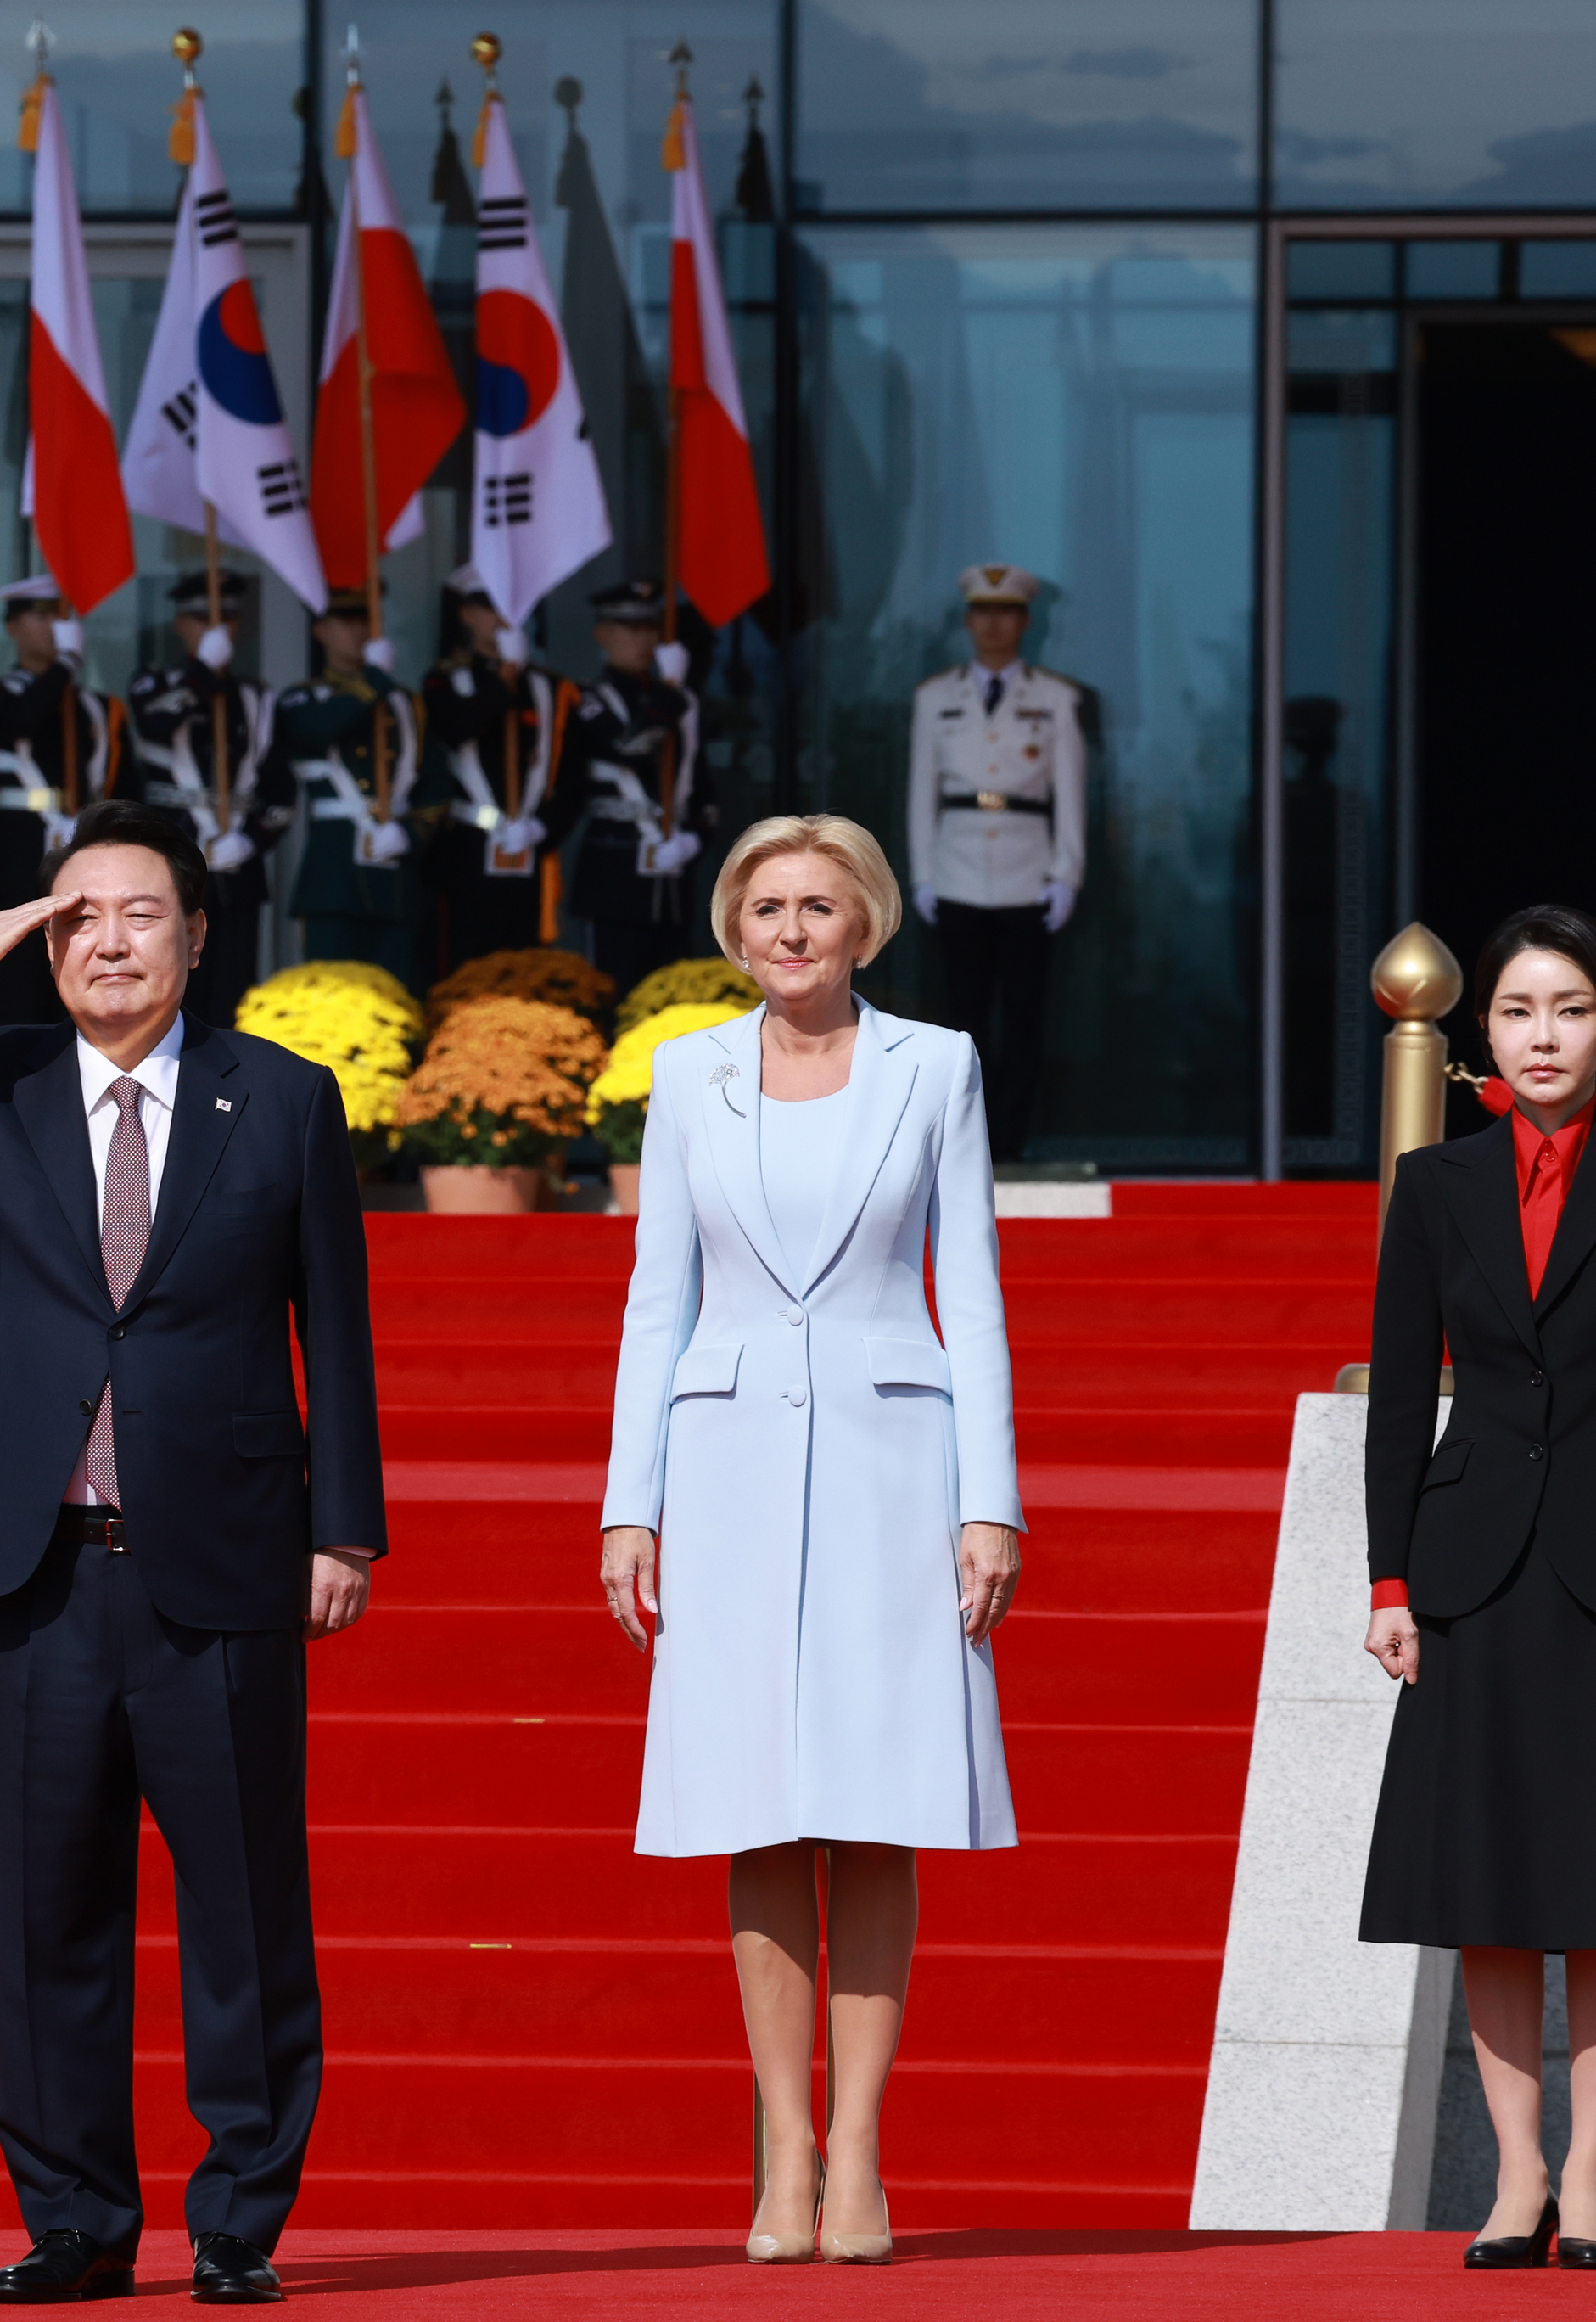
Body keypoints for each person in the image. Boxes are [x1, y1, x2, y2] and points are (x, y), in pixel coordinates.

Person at [0, 797, 384, 2307]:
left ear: (195, 932)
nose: (107, 940)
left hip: (228, 1555)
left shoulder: (283, 1098)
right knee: (53, 1904)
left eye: (136, 913)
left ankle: (239, 2216)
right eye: (76, 917)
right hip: (40, 1560)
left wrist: (344, 1528)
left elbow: (339, 1331)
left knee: (245, 1902)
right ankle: (75, 2221)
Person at [596, 814, 1021, 2267]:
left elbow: (970, 1280)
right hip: (721, 1469)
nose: (788, 929)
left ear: (865, 925)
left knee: (877, 1806)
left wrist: (989, 1498)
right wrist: (628, 1498)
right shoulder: (684, 1072)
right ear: (733, 926)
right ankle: (783, 2148)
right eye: (764, 905)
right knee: (757, 1808)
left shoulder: (938, 1064)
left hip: (899, 1461)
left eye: (816, 907)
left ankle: (864, 2159)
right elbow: (661, 1297)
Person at [1358, 904, 1596, 2274]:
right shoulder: (1435, 1186)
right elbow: (1404, 1393)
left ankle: (1592, 2178)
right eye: (1521, 1010)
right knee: (1486, 1882)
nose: (1543, 1034)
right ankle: (1514, 2177)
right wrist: (1389, 1574)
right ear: (1483, 1033)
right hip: (1469, 1569)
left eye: (1570, 1009)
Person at [906, 563, 1088, 1160]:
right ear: (968, 621)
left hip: (1027, 874)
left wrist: (1067, 873)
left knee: (1024, 1019)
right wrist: (924, 874)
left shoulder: (1056, 699)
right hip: (957, 872)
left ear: (1025, 621)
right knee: (963, 1020)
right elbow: (921, 792)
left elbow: (1070, 792)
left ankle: (1009, 1142)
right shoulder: (935, 698)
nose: (993, 624)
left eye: (1005, 612)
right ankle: (964, 1142)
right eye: (983, 612)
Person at [123, 569, 289, 1023]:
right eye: (204, 620)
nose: (219, 631)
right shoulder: (154, 684)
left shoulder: (257, 698)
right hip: (172, 854)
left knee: (233, 992)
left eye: (228, 622)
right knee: (171, 985)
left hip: (236, 868)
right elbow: (156, 722)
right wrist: (201, 674)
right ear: (181, 625)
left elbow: (280, 794)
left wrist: (251, 841)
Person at [0, 574, 120, 1029]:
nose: (55, 625)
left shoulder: (96, 708)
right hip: (22, 845)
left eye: (62, 615)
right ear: (12, 627)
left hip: (82, 842)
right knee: (22, 982)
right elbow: (26, 719)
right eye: (43, 615)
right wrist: (66, 662)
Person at [420, 564, 575, 979]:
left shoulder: (550, 687)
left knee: (526, 964)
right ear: (467, 615)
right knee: (464, 962)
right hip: (468, 846)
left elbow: (573, 776)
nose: (505, 618)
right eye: (491, 608)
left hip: (527, 846)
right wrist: (504, 677)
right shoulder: (444, 680)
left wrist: (542, 828)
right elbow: (455, 729)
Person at [563, 580, 712, 993]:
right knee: (614, 992)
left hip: (671, 881)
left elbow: (701, 789)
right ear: (603, 635)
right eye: (630, 629)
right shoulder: (586, 698)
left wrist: (695, 840)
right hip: (616, 876)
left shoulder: (683, 703)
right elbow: (628, 748)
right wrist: (670, 693)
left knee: (669, 996)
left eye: (650, 629)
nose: (643, 640)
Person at [273, 589, 425, 982]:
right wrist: (373, 681)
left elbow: (436, 785)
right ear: (321, 631)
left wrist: (409, 833)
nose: (361, 631)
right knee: (332, 993)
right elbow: (315, 731)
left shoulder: (408, 704)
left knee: (401, 995)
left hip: (396, 877)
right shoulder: (301, 698)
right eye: (347, 622)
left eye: (366, 621)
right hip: (333, 875)